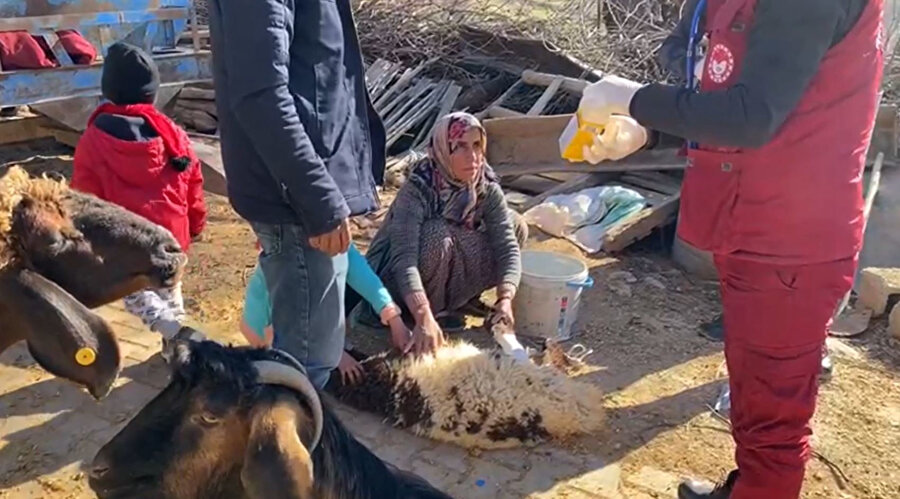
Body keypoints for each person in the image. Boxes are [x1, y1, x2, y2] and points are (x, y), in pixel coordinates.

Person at [574, 0, 884, 498]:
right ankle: (749, 486)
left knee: (773, 427)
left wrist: (633, 99)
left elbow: (752, 115)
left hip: (789, 241)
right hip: (759, 225)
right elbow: (719, 77)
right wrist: (648, 129)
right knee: (755, 391)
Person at [206, 0, 386, 388]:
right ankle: (276, 446)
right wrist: (319, 198)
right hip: (297, 202)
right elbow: (261, 95)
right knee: (303, 369)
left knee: (310, 360)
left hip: (305, 193)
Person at [71, 42, 207, 348]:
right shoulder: (173, 135)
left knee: (136, 295)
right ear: (153, 93)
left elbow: (83, 200)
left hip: (126, 245)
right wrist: (196, 225)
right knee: (169, 287)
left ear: (109, 91)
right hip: (172, 237)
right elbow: (193, 184)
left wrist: (84, 242)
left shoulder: (94, 140)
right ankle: (178, 341)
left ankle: (171, 331)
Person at [364, 112, 528, 356]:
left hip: (447, 261)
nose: (472, 157)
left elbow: (507, 247)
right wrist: (422, 313)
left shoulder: (485, 187)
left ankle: (456, 301)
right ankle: (426, 314)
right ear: (442, 149)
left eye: (476, 146)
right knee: (436, 236)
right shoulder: (418, 189)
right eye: (459, 147)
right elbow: (403, 258)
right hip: (394, 278)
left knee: (516, 225)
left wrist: (505, 298)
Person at [240, 241, 412, 384]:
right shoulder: (287, 255)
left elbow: (362, 275)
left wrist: (394, 318)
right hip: (266, 329)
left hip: (307, 307)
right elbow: (292, 319)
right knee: (300, 379)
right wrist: (337, 355)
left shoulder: (331, 235)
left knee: (343, 278)